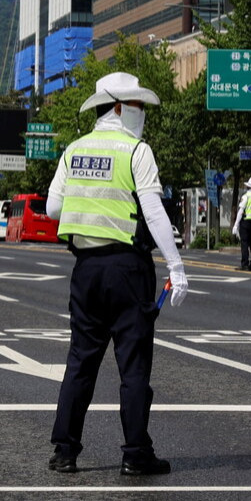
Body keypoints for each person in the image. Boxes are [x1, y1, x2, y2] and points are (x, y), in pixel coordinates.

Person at [45, 71, 188, 477]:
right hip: (127, 269)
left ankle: (64, 450)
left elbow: (55, 209)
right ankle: (135, 453)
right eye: (139, 106)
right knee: (134, 365)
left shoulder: (74, 151)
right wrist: (175, 265)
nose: (142, 113)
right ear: (121, 107)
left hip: (86, 270)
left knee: (81, 361)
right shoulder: (135, 151)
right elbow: (155, 212)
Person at [232, 177, 251, 271]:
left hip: (245, 222)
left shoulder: (246, 196)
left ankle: (245, 264)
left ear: (248, 186)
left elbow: (241, 211)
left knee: (244, 243)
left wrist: (236, 225)